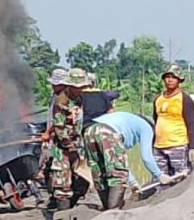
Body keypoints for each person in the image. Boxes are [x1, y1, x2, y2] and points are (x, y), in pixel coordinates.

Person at [82, 111, 171, 210]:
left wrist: (133, 182)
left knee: (99, 173)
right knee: (118, 176)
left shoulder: (130, 122)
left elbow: (122, 163)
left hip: (89, 131)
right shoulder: (147, 128)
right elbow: (146, 157)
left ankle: (106, 208)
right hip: (107, 131)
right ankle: (112, 212)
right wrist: (160, 175)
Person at [47, 67, 89, 210]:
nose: (80, 90)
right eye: (78, 87)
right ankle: (63, 214)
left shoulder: (79, 98)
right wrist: (69, 145)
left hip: (77, 144)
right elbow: (59, 128)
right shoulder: (61, 101)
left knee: (82, 179)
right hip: (63, 148)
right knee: (63, 183)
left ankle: (73, 205)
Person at [153, 64, 194, 185]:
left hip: (178, 144)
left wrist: (193, 147)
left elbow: (192, 124)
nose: (170, 80)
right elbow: (156, 121)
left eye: (173, 77)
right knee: (160, 180)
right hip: (159, 146)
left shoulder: (184, 99)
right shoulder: (158, 99)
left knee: (180, 178)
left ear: (179, 80)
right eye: (167, 77)